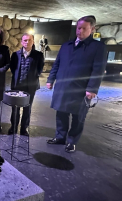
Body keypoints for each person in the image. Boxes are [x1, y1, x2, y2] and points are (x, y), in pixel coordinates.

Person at [46, 15, 107, 153]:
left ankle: (72, 141)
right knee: (61, 113)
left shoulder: (98, 47)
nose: (79, 31)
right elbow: (57, 64)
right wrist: (50, 79)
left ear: (92, 29)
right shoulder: (66, 45)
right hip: (63, 86)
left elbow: (98, 70)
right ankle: (60, 137)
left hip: (81, 89)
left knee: (78, 116)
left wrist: (92, 89)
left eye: (83, 28)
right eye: (78, 28)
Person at [9, 33, 44, 136]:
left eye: (29, 40)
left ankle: (24, 128)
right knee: (15, 107)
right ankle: (14, 126)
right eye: (25, 40)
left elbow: (39, 69)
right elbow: (13, 68)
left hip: (30, 87)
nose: (27, 42)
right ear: (21, 42)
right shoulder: (15, 54)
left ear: (33, 41)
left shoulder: (38, 55)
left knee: (27, 108)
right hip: (17, 85)